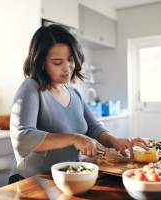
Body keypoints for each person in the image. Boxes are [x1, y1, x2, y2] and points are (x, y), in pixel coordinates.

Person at [9, 24, 147, 182]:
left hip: (66, 179)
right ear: (40, 62)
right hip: (32, 181)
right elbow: (22, 137)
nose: (67, 69)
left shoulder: (73, 93)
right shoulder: (30, 88)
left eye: (70, 59)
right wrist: (74, 138)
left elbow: (94, 128)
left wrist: (115, 141)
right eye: (57, 62)